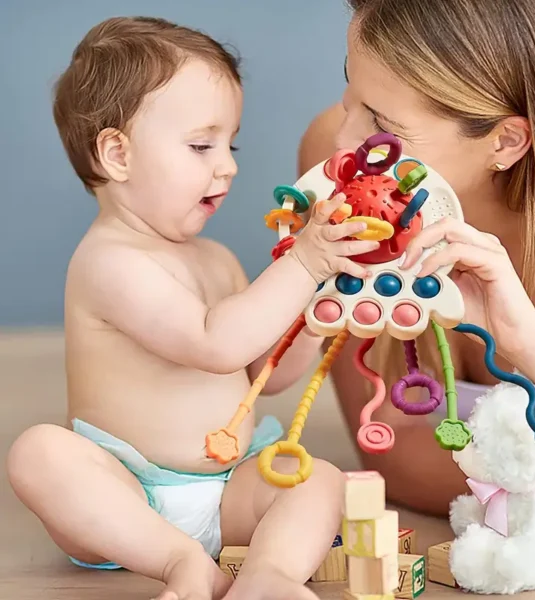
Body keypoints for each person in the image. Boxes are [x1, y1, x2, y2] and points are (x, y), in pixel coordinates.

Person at [6, 16, 379, 600]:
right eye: (202, 145)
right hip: (129, 496)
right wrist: (302, 266)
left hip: (232, 484)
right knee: (40, 455)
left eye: (230, 145)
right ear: (117, 154)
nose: (227, 165)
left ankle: (268, 574)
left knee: (318, 479)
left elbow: (267, 376)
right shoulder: (108, 262)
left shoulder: (217, 259)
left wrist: (312, 310)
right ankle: (179, 560)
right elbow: (214, 344)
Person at [299, 0, 535, 516]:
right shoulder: (337, 154)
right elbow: (395, 454)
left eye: (381, 124)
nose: (343, 145)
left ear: (506, 141)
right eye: (350, 91)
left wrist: (530, 343)